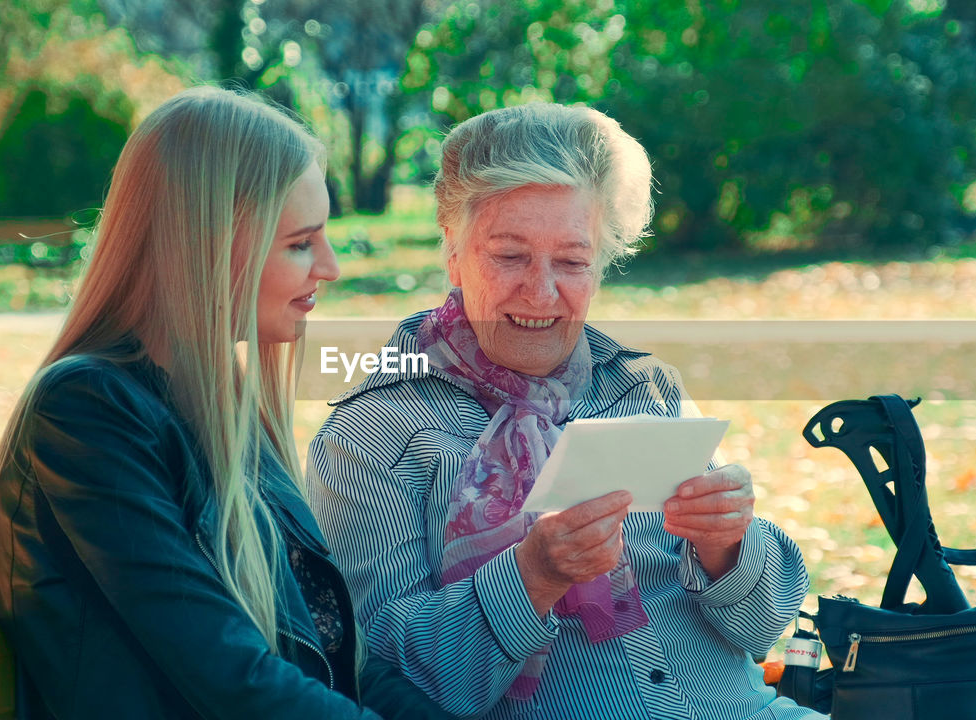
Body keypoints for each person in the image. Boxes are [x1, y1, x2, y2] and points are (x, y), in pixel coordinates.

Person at [306, 103, 825, 720]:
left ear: (603, 264)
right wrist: (532, 576)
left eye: (573, 262)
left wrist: (729, 546)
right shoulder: (374, 434)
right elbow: (376, 676)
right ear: (453, 252)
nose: (542, 292)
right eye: (509, 256)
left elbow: (762, 632)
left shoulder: (642, 389)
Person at [0, 86, 449, 720]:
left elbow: (334, 656)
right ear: (208, 245)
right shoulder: (87, 411)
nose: (329, 267)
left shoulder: (226, 403)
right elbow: (228, 676)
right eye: (301, 242)